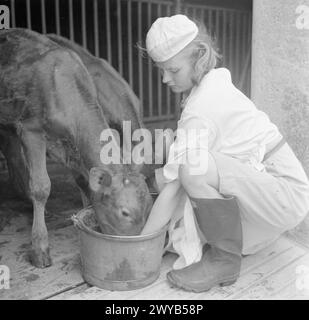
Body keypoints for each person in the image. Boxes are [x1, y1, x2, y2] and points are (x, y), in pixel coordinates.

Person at [140, 14, 309, 293]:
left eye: (172, 69)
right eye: (161, 70)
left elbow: (173, 188)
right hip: (268, 192)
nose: (164, 79)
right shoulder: (211, 85)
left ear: (199, 56)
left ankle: (224, 262)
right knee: (182, 166)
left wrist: (143, 243)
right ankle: (227, 250)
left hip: (284, 194)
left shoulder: (202, 107)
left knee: (191, 169)